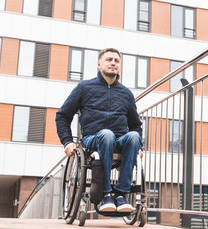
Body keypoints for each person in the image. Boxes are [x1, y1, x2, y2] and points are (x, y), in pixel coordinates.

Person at [55, 48, 142, 213]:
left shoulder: (126, 93)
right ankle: (107, 194)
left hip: (120, 140)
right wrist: (67, 141)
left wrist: (140, 146)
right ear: (99, 64)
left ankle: (121, 195)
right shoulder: (84, 88)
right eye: (109, 59)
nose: (113, 63)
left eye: (116, 61)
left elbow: (136, 125)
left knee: (134, 136)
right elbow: (63, 116)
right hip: (92, 138)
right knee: (107, 134)